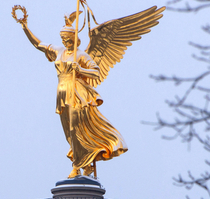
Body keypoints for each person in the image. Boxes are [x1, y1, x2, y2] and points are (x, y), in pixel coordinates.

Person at [18, 11, 128, 178]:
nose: (65, 42)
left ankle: (78, 166)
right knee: (69, 133)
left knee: (76, 129)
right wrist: (25, 27)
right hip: (62, 94)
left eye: (68, 39)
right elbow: (38, 44)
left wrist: (80, 69)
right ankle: (84, 162)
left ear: (75, 39)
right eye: (63, 39)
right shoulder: (59, 51)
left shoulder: (81, 55)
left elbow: (96, 72)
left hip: (77, 94)